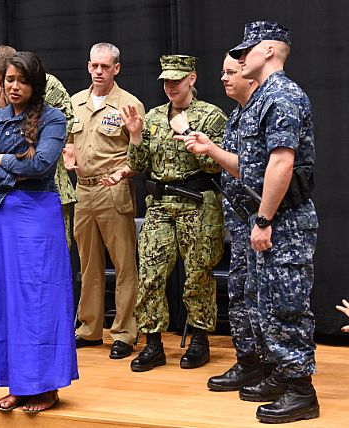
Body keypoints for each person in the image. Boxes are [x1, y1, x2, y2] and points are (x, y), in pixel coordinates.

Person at [179, 21, 319, 423]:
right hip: (268, 218)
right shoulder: (261, 101)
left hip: (284, 220)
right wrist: (212, 150)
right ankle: (279, 374)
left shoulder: (284, 95)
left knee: (286, 306)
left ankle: (301, 391)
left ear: (270, 51)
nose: (240, 60)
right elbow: (252, 167)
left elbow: (282, 162)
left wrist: (264, 218)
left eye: (247, 51)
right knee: (265, 304)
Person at [0, 51, 78, 413]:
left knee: (38, 296)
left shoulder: (53, 118)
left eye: (22, 80)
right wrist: (12, 171)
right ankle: (18, 382)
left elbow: (44, 164)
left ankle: (45, 386)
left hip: (36, 215)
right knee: (3, 296)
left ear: (35, 84)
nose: (14, 86)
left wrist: (0, 161)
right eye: (9, 80)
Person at [111, 55, 226, 372]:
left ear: (191, 78)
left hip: (198, 204)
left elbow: (214, 164)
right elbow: (138, 164)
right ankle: (153, 344)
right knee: (149, 275)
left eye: (176, 80)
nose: (170, 86)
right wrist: (135, 134)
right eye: (166, 81)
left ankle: (200, 340)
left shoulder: (210, 116)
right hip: (160, 205)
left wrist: (187, 130)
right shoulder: (155, 117)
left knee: (198, 275)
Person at [63, 42, 144, 360]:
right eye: (94, 66)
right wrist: (66, 151)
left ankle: (124, 331)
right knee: (88, 264)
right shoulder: (75, 103)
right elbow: (67, 142)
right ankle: (89, 328)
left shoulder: (128, 104)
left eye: (105, 67)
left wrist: (124, 172)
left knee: (124, 265)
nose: (98, 71)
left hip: (114, 190)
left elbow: (141, 154)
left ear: (116, 69)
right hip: (82, 190)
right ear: (88, 67)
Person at [0, 45, 77, 247]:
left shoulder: (47, 83)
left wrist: (8, 155)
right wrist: (2, 113)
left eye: (15, 78)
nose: (9, 86)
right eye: (4, 80)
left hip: (45, 184)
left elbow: (65, 121)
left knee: (49, 250)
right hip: (1, 193)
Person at [206, 55, 261, 391]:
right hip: (239, 223)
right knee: (239, 294)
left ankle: (273, 367)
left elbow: (252, 169)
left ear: (249, 74)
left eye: (230, 72)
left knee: (260, 296)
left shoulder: (261, 113)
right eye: (222, 71)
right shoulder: (236, 116)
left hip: (262, 222)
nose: (223, 78)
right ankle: (248, 362)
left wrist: (211, 149)